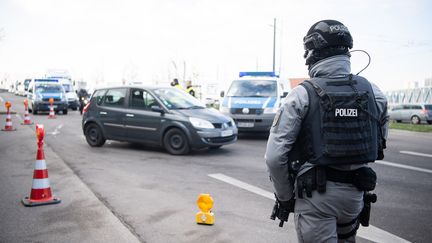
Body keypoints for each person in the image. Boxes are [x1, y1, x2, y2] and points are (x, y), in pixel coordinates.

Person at [265, 20, 388, 242]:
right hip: (355, 196)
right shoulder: (374, 93)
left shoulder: (301, 95)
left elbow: (274, 157)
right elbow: (379, 142)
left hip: (315, 198)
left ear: (313, 52)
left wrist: (285, 198)